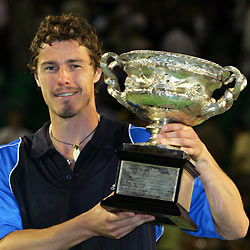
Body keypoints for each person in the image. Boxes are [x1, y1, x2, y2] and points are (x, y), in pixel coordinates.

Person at [0, 13, 248, 250]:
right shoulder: (9, 161)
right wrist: (86, 226)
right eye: (50, 68)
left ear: (97, 72)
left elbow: (234, 228)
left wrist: (203, 158)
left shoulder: (144, 144)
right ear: (36, 77)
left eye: (74, 66)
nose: (63, 78)